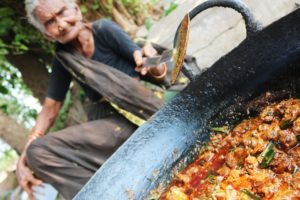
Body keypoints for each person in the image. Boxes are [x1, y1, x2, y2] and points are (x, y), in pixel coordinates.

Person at [17, 0, 167, 199]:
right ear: (46, 34)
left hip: (144, 105)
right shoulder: (63, 59)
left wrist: (152, 63)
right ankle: (110, 194)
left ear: (76, 9)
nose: (61, 24)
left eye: (62, 12)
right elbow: (50, 107)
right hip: (115, 124)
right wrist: (25, 155)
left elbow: (144, 62)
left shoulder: (103, 29)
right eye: (50, 22)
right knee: (38, 152)